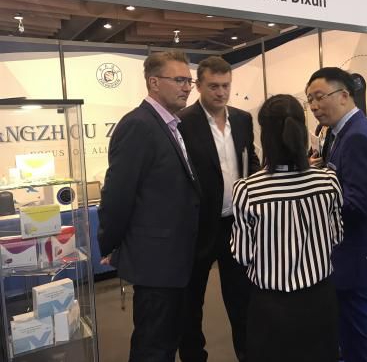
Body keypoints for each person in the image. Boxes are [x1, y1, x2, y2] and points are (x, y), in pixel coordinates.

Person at [98, 51, 200, 362]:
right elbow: (118, 194)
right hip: (155, 262)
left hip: (172, 259)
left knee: (165, 340)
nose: (187, 87)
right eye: (179, 80)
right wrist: (110, 243)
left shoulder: (169, 124)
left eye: (189, 81)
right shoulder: (138, 125)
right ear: (154, 82)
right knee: (153, 346)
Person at [231, 94, 344, 362]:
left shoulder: (248, 190)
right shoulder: (327, 181)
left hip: (270, 307)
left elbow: (242, 255)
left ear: (265, 137)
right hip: (320, 300)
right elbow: (336, 236)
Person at [178, 56, 260, 362]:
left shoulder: (242, 119)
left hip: (237, 226)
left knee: (242, 300)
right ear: (198, 86)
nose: (221, 92)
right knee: (191, 303)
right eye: (213, 86)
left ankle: (248, 355)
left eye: (226, 85)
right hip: (199, 227)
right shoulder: (183, 122)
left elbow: (250, 161)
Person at [306, 67, 367, 362]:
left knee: (358, 334)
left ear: (344, 95)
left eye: (319, 97)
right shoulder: (341, 133)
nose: (314, 106)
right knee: (350, 332)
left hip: (353, 255)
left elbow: (358, 205)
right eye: (310, 100)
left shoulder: (357, 136)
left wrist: (314, 202)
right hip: (346, 253)